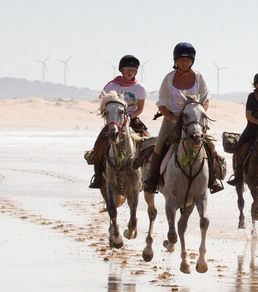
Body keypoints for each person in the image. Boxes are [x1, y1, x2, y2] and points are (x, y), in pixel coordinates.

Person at [143, 42, 224, 194]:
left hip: (194, 119)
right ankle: (152, 180)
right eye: (181, 60)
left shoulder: (199, 77)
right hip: (172, 117)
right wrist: (173, 120)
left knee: (211, 145)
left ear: (192, 61)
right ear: (175, 61)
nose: (184, 63)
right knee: (159, 146)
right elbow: (161, 104)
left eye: (187, 60)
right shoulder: (168, 79)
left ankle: (213, 180)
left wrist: (199, 115)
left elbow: (206, 99)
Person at [89, 54, 148, 189]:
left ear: (136, 72)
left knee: (148, 144)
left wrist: (129, 117)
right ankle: (98, 176)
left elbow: (140, 109)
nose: (129, 72)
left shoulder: (140, 88)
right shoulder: (111, 86)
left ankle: (147, 177)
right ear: (121, 70)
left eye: (132, 69)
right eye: (127, 69)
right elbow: (104, 106)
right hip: (114, 122)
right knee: (99, 145)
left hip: (132, 120)